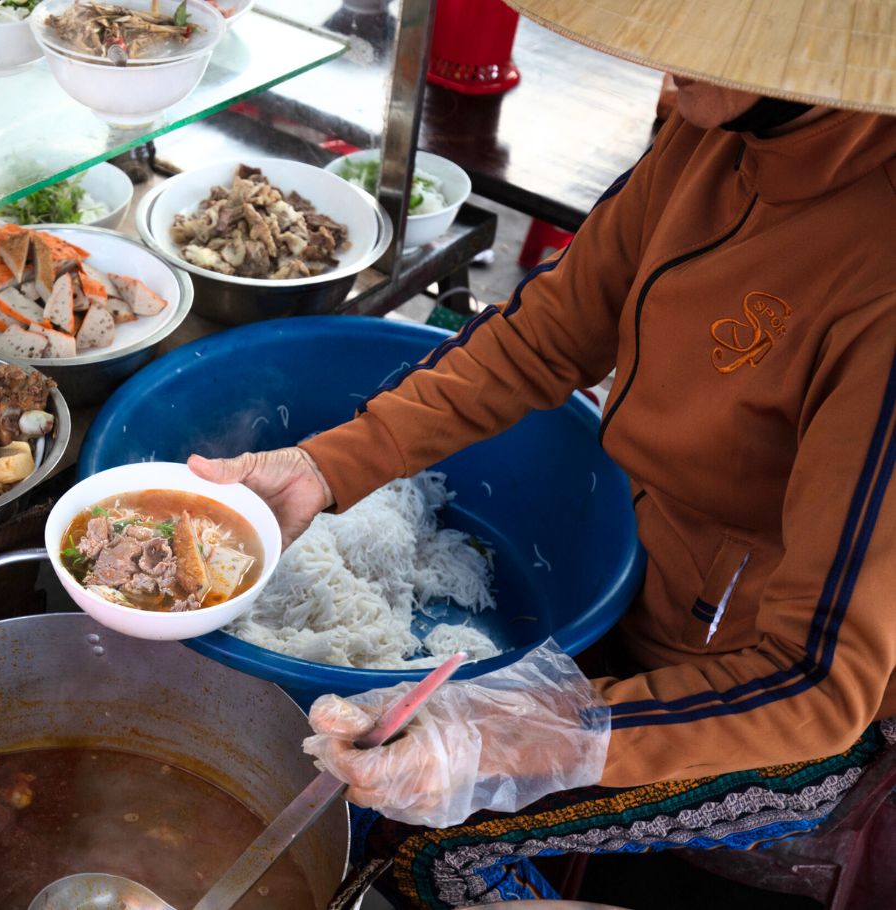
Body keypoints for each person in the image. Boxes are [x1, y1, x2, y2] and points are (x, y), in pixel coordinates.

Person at [189, 1, 896, 905]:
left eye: (702, 41)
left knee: (420, 851)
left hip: (767, 715)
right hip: (650, 586)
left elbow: (816, 688)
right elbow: (546, 335)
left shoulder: (876, 275)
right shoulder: (715, 129)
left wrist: (504, 737)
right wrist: (326, 466)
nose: (663, 63)